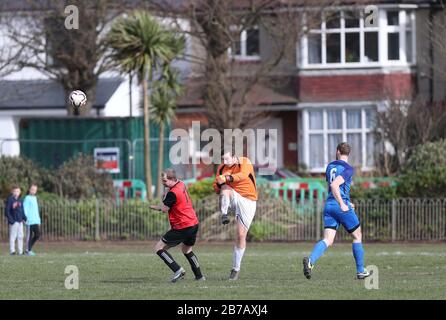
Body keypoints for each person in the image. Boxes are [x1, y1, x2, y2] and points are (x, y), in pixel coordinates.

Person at [303, 142, 371, 280]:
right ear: (348, 153)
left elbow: (333, 187)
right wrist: (343, 204)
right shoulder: (348, 169)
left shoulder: (330, 166)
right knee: (357, 236)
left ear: (338, 151)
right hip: (340, 206)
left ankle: (310, 261)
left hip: (329, 206)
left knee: (327, 239)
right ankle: (360, 271)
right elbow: (335, 185)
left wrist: (347, 202)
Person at [150, 168, 205, 283]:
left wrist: (155, 207)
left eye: (164, 181)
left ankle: (178, 270)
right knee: (187, 249)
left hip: (182, 226)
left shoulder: (172, 193)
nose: (163, 183)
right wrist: (167, 188)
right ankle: (199, 276)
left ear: (172, 179)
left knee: (158, 248)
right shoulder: (181, 184)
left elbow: (165, 209)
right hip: (193, 223)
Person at [213, 148, 257, 281]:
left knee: (240, 235)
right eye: (222, 159)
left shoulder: (245, 161)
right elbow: (216, 185)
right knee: (225, 188)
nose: (225, 162)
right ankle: (224, 214)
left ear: (234, 157)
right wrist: (218, 185)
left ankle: (235, 269)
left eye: (227, 159)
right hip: (234, 197)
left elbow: (243, 175)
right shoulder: (222, 168)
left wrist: (226, 178)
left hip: (248, 200)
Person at [4, 186, 27, 255]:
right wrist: (11, 220)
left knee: (21, 236)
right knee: (13, 236)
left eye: (18, 191)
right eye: (15, 191)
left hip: (20, 221)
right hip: (14, 221)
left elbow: (22, 210)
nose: (17, 192)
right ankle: (12, 251)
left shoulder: (21, 200)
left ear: (20, 192)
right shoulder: (10, 199)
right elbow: (7, 211)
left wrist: (24, 218)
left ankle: (20, 251)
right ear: (12, 192)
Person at [23, 184, 41, 256]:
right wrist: (25, 218)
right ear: (29, 190)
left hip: (35, 220)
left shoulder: (35, 198)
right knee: (29, 236)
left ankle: (29, 249)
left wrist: (38, 220)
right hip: (29, 221)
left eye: (35, 190)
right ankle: (28, 250)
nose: (34, 191)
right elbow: (25, 209)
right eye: (32, 189)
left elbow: (36, 210)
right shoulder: (27, 198)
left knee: (37, 235)